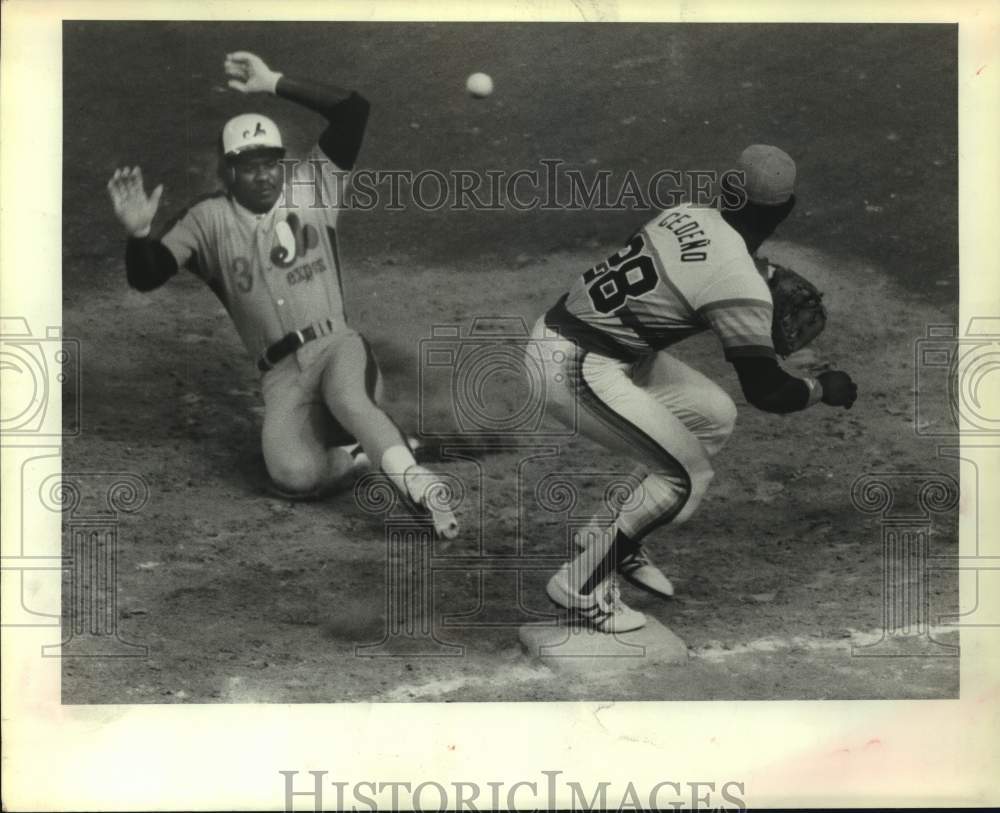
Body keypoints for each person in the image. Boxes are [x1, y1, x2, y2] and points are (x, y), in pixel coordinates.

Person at [106, 51, 458, 539]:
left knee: (350, 400)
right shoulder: (205, 221)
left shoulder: (313, 185)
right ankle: (360, 454)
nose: (265, 174)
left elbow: (354, 110)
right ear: (228, 172)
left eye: (272, 162)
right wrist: (139, 233)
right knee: (294, 477)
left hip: (339, 348)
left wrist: (273, 82)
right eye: (250, 166)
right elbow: (146, 277)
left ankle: (419, 486)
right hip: (282, 379)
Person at [525, 145, 857, 631]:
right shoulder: (739, 285)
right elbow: (767, 391)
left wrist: (753, 280)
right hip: (575, 368)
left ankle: (608, 536)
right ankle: (582, 585)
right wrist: (823, 386)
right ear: (785, 210)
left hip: (583, 342)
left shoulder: (684, 213)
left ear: (727, 189)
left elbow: (683, 269)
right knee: (684, 479)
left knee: (712, 414)